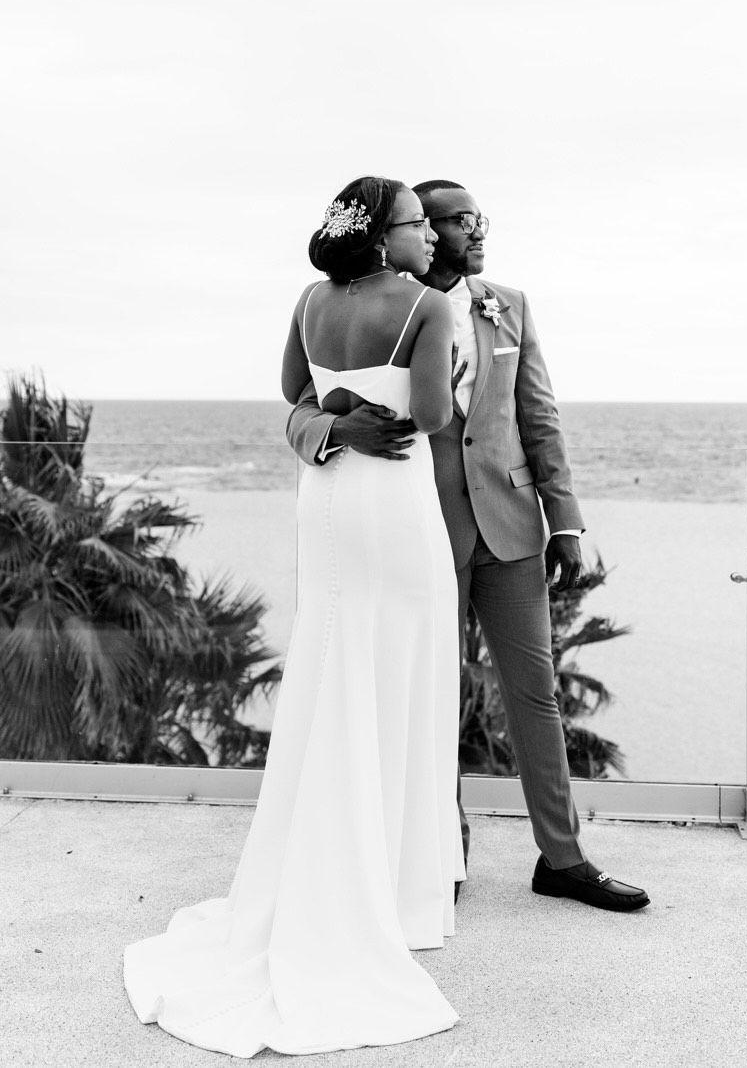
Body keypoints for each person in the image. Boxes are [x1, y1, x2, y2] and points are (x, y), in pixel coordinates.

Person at [123, 177, 466, 1057]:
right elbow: (429, 417)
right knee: (401, 669)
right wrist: (438, 383)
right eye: (416, 224)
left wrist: (338, 422)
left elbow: (293, 393)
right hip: (393, 508)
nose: (431, 236)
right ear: (381, 237)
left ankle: (335, 860)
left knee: (333, 666)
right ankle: (392, 891)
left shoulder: (311, 301)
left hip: (324, 501)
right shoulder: (429, 307)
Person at [287, 178, 650, 914]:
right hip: (418, 525)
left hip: (512, 526)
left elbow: (537, 416)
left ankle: (564, 858)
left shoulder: (507, 303)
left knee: (536, 695)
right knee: (428, 693)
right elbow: (304, 400)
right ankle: (439, 854)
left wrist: (567, 520)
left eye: (479, 216)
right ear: (416, 232)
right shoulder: (385, 305)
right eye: (456, 219)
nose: (477, 229)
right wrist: (332, 430)